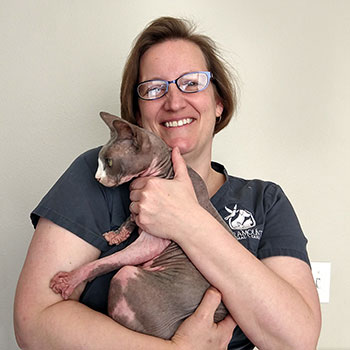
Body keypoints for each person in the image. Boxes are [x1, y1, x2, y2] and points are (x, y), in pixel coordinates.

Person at [14, 16, 321, 350]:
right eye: (154, 89)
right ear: (135, 114)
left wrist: (189, 222)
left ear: (218, 103)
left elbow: (296, 341)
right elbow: (35, 323)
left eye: (192, 82)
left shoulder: (264, 201)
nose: (174, 102)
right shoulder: (100, 173)